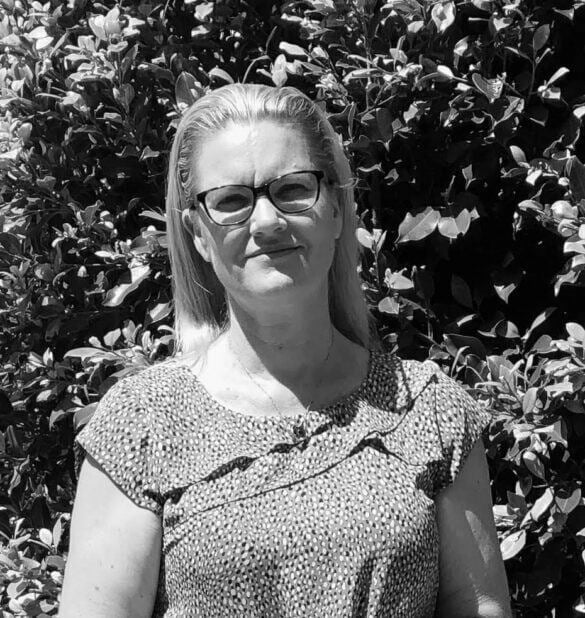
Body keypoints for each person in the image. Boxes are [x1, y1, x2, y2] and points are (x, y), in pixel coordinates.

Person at [59, 83, 511, 617]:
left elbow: (478, 606)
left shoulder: (429, 411)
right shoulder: (143, 424)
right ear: (198, 234)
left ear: (336, 208)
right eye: (231, 200)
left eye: (293, 189)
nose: (267, 221)